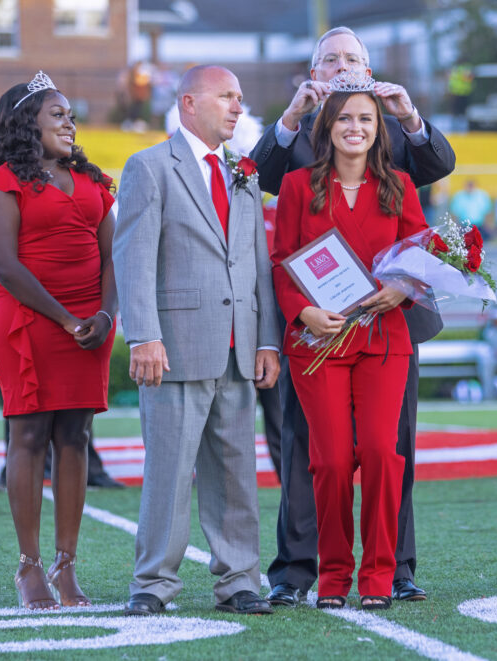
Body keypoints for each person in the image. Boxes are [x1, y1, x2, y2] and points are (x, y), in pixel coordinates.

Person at [251, 25, 455, 606]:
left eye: (353, 59)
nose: (342, 67)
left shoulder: (388, 129)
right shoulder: (296, 138)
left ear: (370, 69)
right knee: (314, 452)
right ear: (313, 70)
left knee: (392, 449)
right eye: (330, 59)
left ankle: (395, 569)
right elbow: (259, 184)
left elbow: (437, 166)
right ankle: (299, 570)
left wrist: (407, 115)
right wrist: (293, 113)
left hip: (388, 328)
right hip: (316, 332)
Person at [113, 65, 280, 616]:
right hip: (175, 348)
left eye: (240, 96)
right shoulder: (149, 167)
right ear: (188, 103)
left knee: (236, 474)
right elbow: (132, 259)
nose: (238, 106)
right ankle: (153, 584)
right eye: (226, 96)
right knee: (168, 470)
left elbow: (257, 262)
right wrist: (143, 336)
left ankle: (238, 581)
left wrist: (266, 341)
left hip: (238, 347)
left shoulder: (245, 174)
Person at [0, 73, 117, 610]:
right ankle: (29, 567)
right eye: (57, 114)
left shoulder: (94, 182)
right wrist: (62, 318)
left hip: (87, 323)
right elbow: (5, 267)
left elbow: (111, 256)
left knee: (75, 435)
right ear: (26, 122)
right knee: (29, 433)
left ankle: (66, 565)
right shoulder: (1, 181)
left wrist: (103, 314)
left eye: (72, 114)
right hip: (27, 319)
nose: (69, 122)